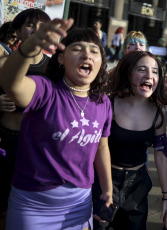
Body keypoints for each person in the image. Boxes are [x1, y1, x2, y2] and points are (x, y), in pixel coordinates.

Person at [0, 18, 113, 229]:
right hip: (32, 206)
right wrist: (30, 46)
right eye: (77, 48)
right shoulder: (45, 91)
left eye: (94, 51)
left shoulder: (102, 101)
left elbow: (102, 146)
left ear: (101, 62)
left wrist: (107, 189)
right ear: (60, 59)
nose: (87, 54)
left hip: (79, 205)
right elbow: (10, 83)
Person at [93, 51, 167, 230]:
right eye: (142, 69)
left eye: (155, 71)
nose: (149, 76)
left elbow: (160, 155)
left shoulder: (159, 113)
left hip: (137, 186)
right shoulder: (107, 103)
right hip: (103, 181)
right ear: (128, 73)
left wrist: (166, 197)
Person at [0, 8, 51, 227]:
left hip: (37, 148)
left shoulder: (54, 67)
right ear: (18, 31)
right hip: (5, 140)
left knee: (29, 208)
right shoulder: (4, 64)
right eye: (30, 25)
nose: (35, 31)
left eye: (42, 27)